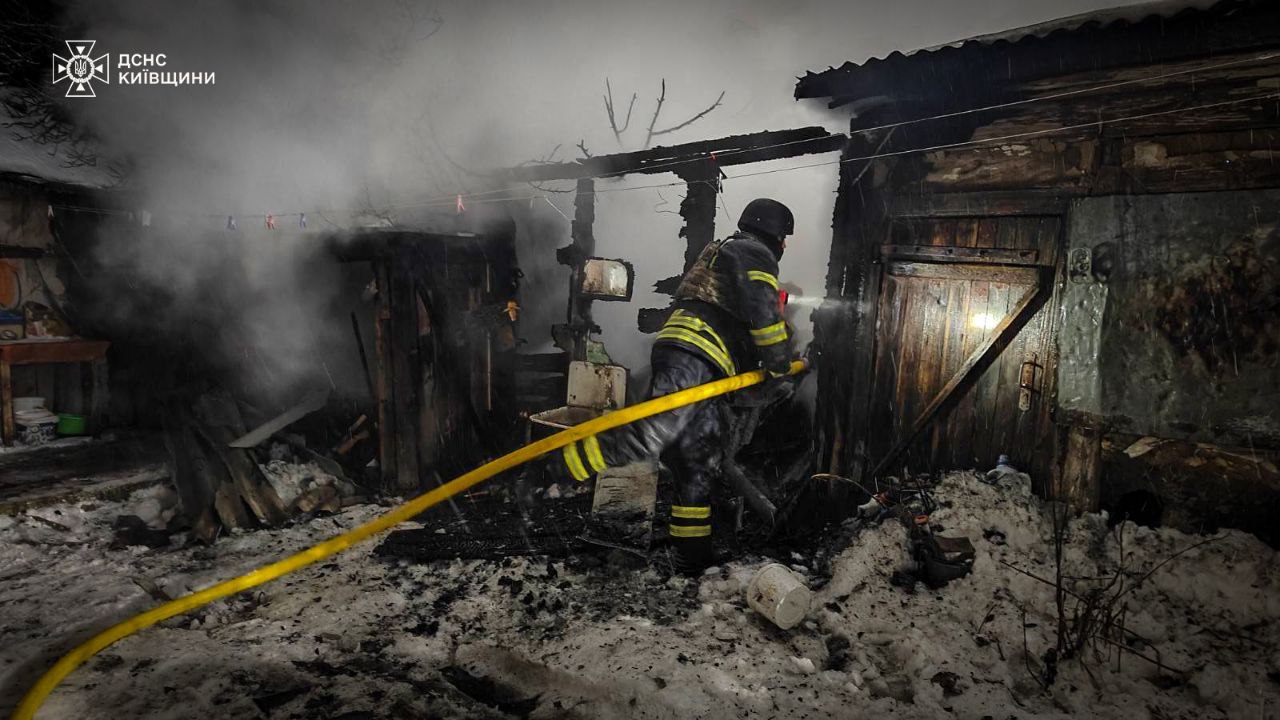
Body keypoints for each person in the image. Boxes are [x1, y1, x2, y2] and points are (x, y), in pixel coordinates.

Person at [552, 198, 799, 572]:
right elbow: (764, 317)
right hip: (694, 353)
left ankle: (692, 556)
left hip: (699, 356)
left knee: (697, 460)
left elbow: (741, 316)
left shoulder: (730, 250)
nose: (784, 246)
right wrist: (780, 363)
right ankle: (566, 462)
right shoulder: (754, 252)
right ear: (774, 233)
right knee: (656, 431)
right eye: (784, 238)